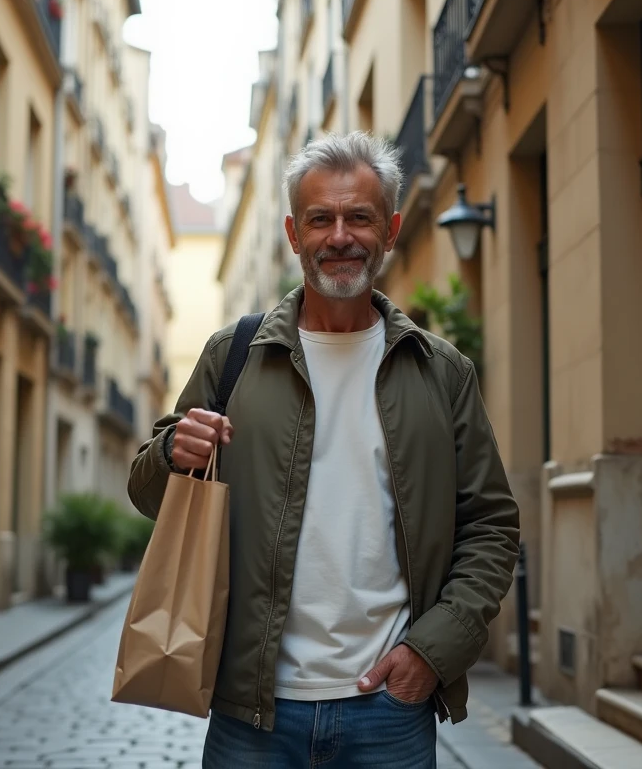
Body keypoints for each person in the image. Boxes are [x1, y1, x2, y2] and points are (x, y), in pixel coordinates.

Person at [127, 131, 520, 768]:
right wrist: (173, 450)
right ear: (293, 233)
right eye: (321, 219)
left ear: (390, 230)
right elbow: (148, 496)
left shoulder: (441, 371)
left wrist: (432, 652)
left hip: (388, 711)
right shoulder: (234, 357)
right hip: (251, 713)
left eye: (359, 217)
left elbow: (491, 526)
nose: (340, 236)